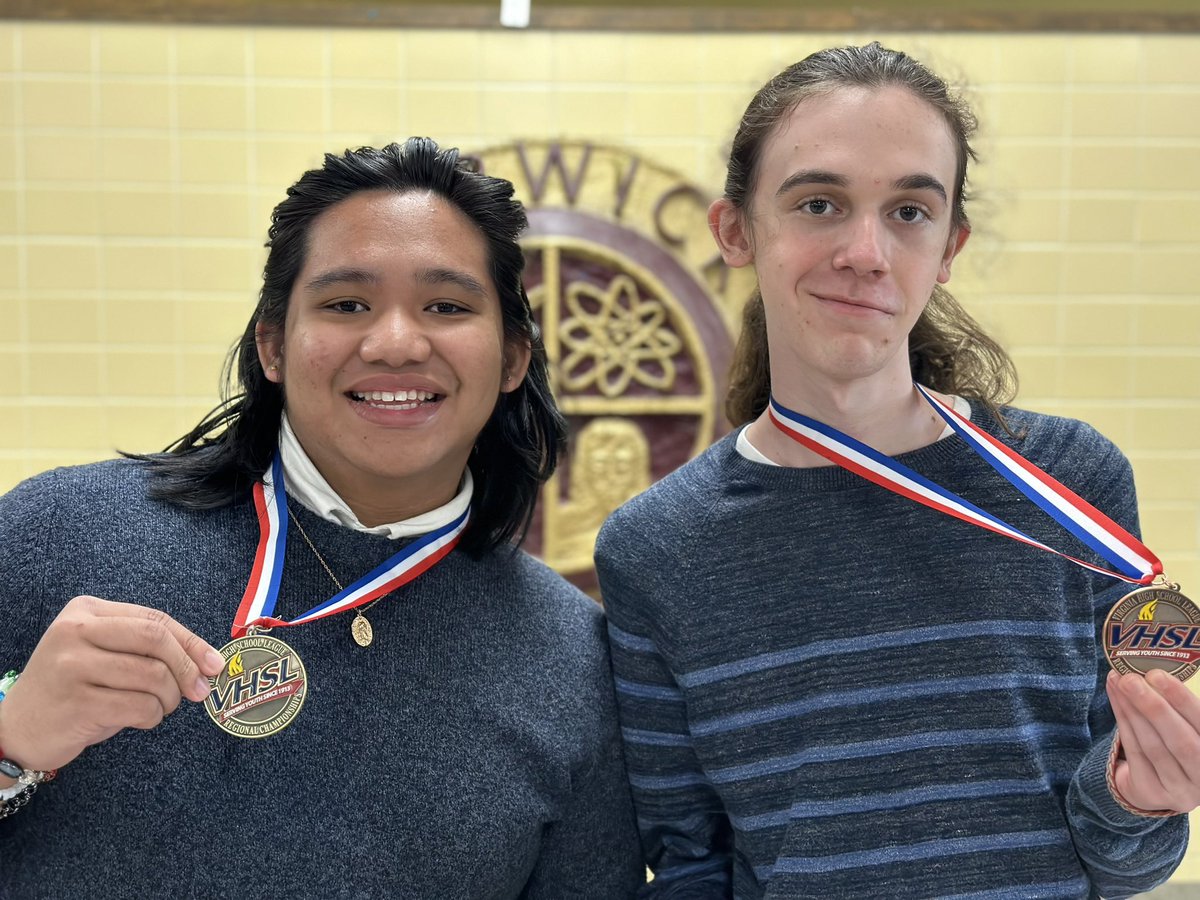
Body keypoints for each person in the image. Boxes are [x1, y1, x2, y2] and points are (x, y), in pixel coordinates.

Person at [595, 43, 1194, 898]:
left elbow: (1123, 862)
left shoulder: (1072, 481)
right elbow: (690, 863)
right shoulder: (658, 546)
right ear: (735, 230)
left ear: (949, 246)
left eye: (910, 211)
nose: (866, 251)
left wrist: (1140, 803)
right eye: (819, 203)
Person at [0, 138, 644, 897]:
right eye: (346, 305)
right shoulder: (54, 537)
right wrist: (12, 746)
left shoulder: (574, 659)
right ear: (273, 344)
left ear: (511, 358)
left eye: (446, 306)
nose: (396, 343)